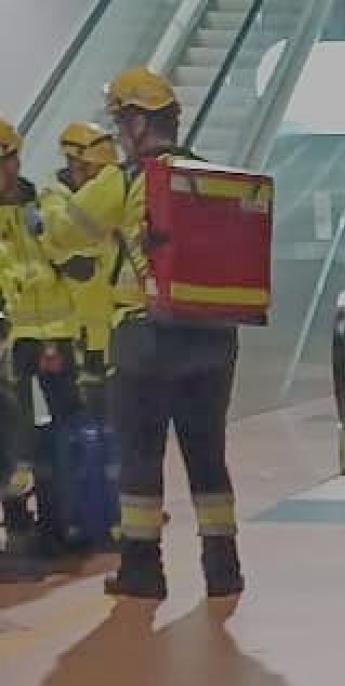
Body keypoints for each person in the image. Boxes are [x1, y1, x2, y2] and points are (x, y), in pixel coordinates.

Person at [53, 68, 244, 598]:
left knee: (141, 455)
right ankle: (223, 566)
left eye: (120, 120)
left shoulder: (124, 179)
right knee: (208, 454)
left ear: (138, 121)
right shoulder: (211, 175)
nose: (118, 132)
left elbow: (66, 231)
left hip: (146, 337)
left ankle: (142, 568)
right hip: (214, 336)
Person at [0, 116, 79, 554]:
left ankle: (61, 516)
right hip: (8, 342)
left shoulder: (42, 205)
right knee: (13, 437)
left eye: (5, 160)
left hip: (56, 334)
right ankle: (17, 523)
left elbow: (67, 261)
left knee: (69, 426)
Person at [40, 122, 120, 415]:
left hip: (105, 332)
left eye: (100, 172)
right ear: (72, 161)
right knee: (72, 418)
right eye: (89, 170)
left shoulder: (103, 198)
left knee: (109, 418)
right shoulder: (53, 203)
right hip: (68, 335)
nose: (95, 179)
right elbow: (70, 254)